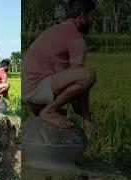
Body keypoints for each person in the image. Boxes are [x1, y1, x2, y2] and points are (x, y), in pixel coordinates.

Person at [23, 0, 106, 136]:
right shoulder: (75, 38)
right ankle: (49, 110)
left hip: (29, 90)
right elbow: (81, 79)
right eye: (92, 16)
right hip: (37, 89)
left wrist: (78, 108)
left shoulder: (58, 30)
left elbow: (70, 80)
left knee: (66, 108)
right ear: (83, 15)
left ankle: (46, 110)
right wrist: (87, 118)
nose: (93, 21)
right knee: (88, 75)